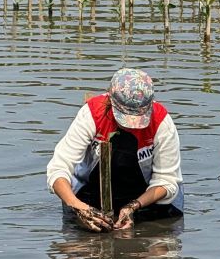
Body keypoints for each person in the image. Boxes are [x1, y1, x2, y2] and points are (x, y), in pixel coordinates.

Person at [47, 68, 184, 232]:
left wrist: (132, 207)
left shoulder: (162, 122)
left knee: (160, 244)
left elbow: (166, 180)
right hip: (89, 194)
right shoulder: (91, 114)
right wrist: (79, 207)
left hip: (147, 196)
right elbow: (59, 168)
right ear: (110, 101)